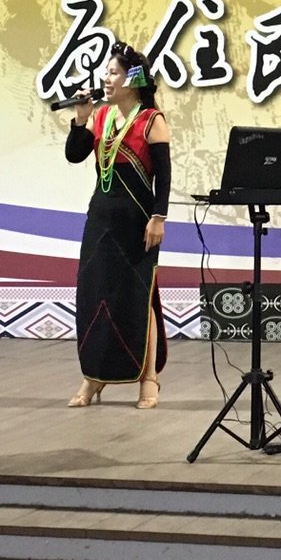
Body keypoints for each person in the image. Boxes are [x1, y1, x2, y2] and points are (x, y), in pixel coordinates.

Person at [63, 42, 171, 409]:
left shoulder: (152, 120)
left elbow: (164, 178)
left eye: (114, 73)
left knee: (138, 298)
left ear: (133, 79)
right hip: (101, 221)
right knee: (96, 296)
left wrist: (158, 217)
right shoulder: (102, 116)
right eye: (106, 73)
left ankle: (149, 378)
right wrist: (81, 118)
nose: (106, 79)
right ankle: (94, 377)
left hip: (138, 222)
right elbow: (74, 155)